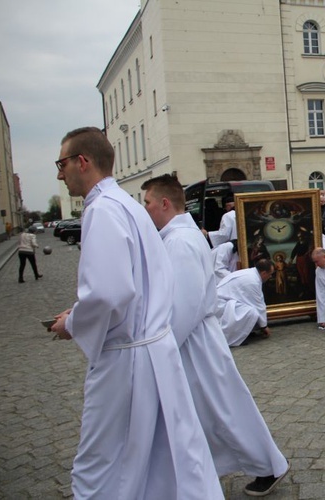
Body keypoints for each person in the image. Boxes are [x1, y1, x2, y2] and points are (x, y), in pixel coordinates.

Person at [49, 127, 222, 498]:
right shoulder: (126, 205)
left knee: (100, 463)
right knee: (164, 458)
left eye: (62, 164)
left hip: (127, 358)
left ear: (84, 161)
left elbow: (110, 293)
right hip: (151, 349)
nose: (59, 174)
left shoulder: (103, 210)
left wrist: (73, 323)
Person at [141, 174, 290, 496]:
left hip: (192, 341)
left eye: (147, 203)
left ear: (165, 203)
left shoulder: (180, 241)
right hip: (192, 338)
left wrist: (159, 347)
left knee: (224, 409)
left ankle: (267, 465)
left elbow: (182, 304)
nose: (145, 210)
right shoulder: (178, 236)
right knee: (208, 410)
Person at [216, 259, 274, 346]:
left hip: (224, 302)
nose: (270, 277)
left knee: (250, 310)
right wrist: (264, 327)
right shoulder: (253, 281)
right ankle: (235, 338)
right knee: (252, 312)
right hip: (222, 306)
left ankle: (243, 333)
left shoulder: (251, 274)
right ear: (264, 273)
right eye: (270, 274)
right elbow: (258, 305)